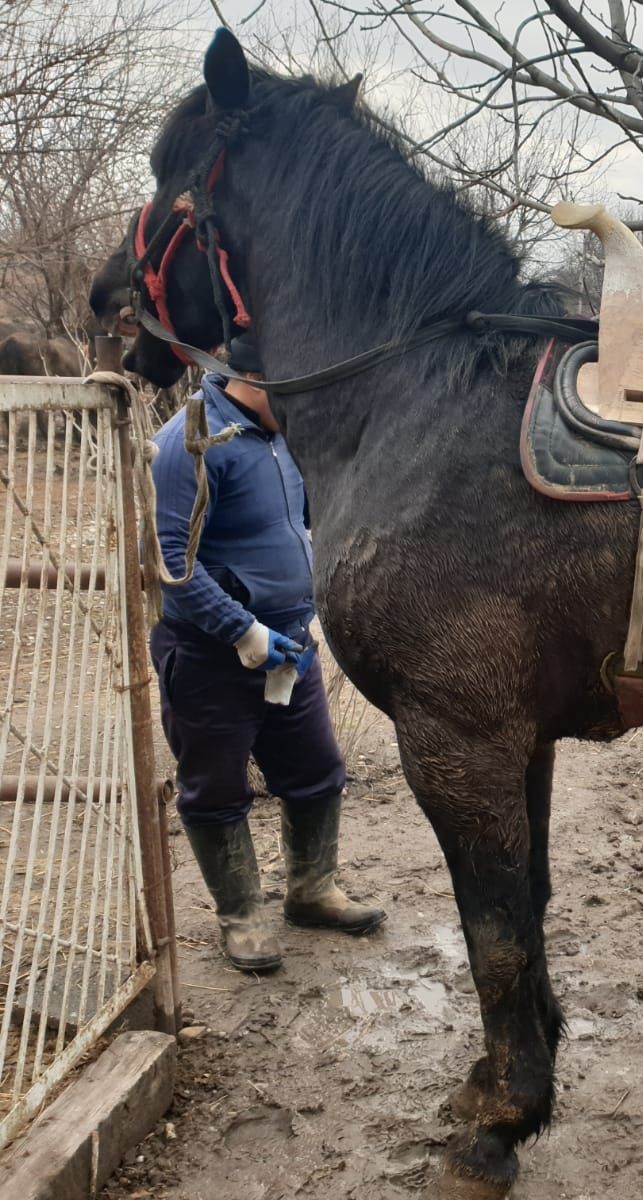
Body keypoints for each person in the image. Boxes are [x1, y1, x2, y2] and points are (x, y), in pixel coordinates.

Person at [149, 335, 384, 972]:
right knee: (217, 788)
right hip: (208, 654)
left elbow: (303, 519)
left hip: (288, 647)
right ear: (256, 379)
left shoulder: (279, 433)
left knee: (316, 771)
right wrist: (242, 631)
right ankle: (242, 918)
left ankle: (311, 891)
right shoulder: (189, 443)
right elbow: (171, 562)